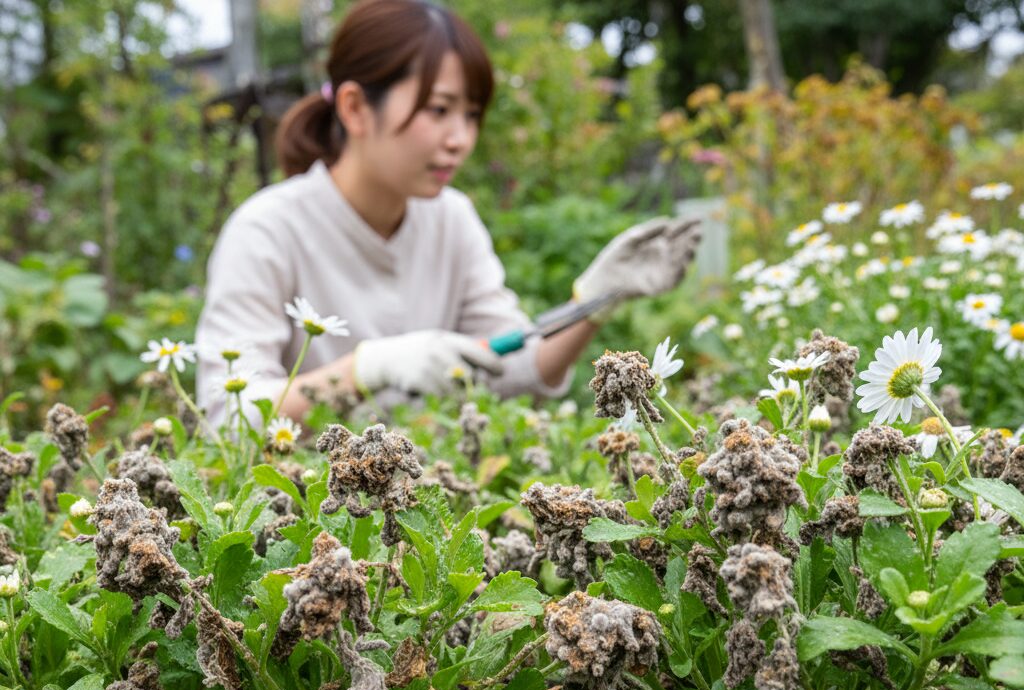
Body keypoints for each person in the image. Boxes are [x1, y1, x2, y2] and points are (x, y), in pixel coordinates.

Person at [195, 0, 701, 430]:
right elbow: (229, 415)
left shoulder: (451, 219)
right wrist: (366, 369)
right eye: (439, 110)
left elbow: (515, 365)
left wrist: (593, 302)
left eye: (472, 115)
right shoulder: (267, 231)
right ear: (353, 108)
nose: (460, 139)